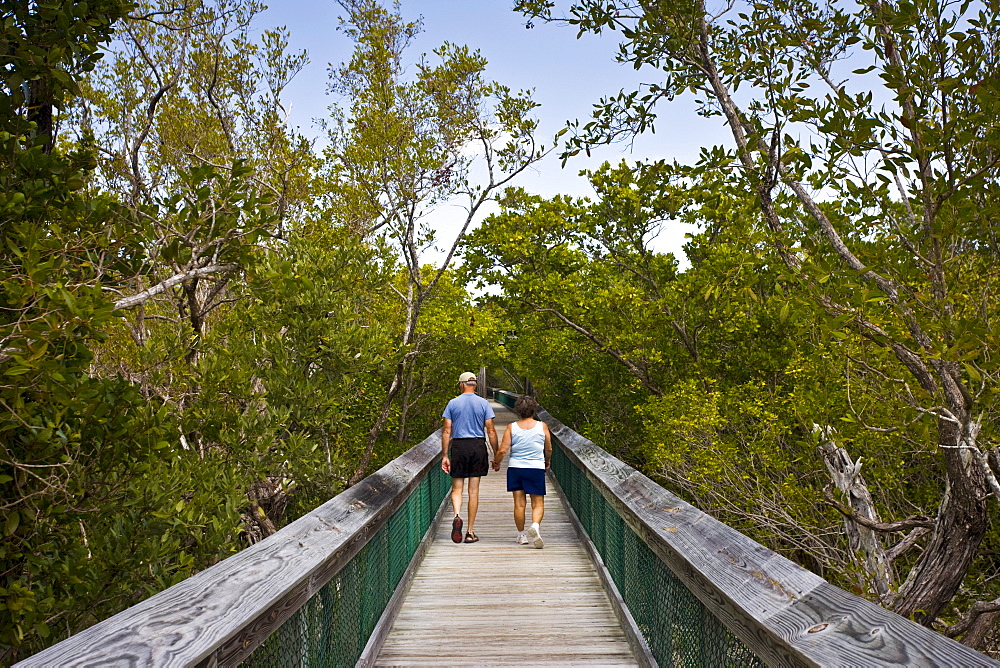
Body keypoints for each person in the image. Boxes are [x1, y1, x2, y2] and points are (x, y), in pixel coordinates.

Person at [442, 371, 498, 544]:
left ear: (461, 384)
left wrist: (445, 455)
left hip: (459, 446)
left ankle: (457, 515)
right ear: (474, 385)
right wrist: (496, 455)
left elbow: (446, 431)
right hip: (477, 446)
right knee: (473, 491)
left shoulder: (452, 403)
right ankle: (470, 532)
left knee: (457, 489)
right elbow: (491, 430)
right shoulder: (483, 403)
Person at [491, 395, 551, 548]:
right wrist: (547, 461)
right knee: (537, 503)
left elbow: (503, 450)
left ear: (518, 410)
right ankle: (535, 526)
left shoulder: (512, 427)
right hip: (536, 468)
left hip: (516, 468)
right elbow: (548, 448)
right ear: (534, 409)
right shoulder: (542, 426)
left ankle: (521, 535)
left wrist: (496, 462)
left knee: (519, 504)